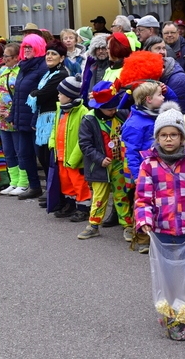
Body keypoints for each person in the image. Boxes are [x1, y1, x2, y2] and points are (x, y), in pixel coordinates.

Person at [134, 104, 185, 328]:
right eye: (164, 135)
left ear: (182, 137)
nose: (169, 139)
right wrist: (144, 220)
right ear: (157, 138)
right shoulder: (148, 165)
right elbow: (143, 197)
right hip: (160, 228)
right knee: (166, 271)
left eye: (174, 134)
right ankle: (171, 308)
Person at [77, 81, 131, 241]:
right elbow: (85, 145)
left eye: (115, 108)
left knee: (122, 195)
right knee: (99, 196)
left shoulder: (120, 115)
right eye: (109, 109)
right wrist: (100, 159)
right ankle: (93, 225)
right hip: (100, 166)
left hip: (118, 163)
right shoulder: (89, 120)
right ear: (99, 107)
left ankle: (128, 225)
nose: (113, 111)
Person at [120, 82, 167, 252]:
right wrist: (137, 175)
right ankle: (142, 239)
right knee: (143, 203)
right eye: (160, 95)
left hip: (159, 169)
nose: (163, 98)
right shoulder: (136, 123)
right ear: (148, 99)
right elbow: (131, 153)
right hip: (143, 171)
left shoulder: (156, 116)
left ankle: (156, 235)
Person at [9, 34, 48, 199]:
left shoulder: (42, 67)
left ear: (38, 48)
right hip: (22, 119)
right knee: (24, 155)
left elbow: (41, 96)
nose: (26, 50)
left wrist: (34, 119)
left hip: (36, 120)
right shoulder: (24, 66)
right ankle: (34, 186)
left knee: (42, 156)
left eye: (29, 47)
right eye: (24, 47)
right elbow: (18, 94)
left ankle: (51, 189)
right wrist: (13, 116)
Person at [48, 75, 90, 221]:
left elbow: (83, 139)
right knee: (66, 182)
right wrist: (52, 143)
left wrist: (75, 158)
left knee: (79, 183)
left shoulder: (83, 112)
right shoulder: (60, 109)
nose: (58, 96)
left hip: (74, 158)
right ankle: (70, 203)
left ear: (69, 96)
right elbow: (55, 128)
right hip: (61, 155)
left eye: (61, 93)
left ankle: (83, 208)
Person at [27, 39, 69, 183]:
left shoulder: (61, 74)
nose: (49, 56)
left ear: (61, 58)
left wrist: (35, 94)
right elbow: (38, 93)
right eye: (48, 53)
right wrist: (36, 93)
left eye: (54, 54)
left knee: (50, 158)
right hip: (42, 119)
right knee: (43, 157)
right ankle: (51, 190)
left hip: (53, 120)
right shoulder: (48, 74)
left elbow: (41, 96)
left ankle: (56, 192)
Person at [0, 43, 23, 195]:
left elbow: (22, 96)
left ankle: (23, 182)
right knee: (8, 151)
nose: (4, 59)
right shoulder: (1, 71)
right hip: (2, 120)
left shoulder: (21, 72)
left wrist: (11, 112)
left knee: (19, 152)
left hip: (15, 119)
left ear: (16, 57)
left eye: (7, 57)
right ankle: (13, 181)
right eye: (3, 56)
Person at [79, 33, 110, 105]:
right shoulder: (92, 66)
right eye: (98, 49)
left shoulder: (112, 67)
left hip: (106, 105)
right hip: (92, 104)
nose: (100, 51)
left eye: (103, 48)